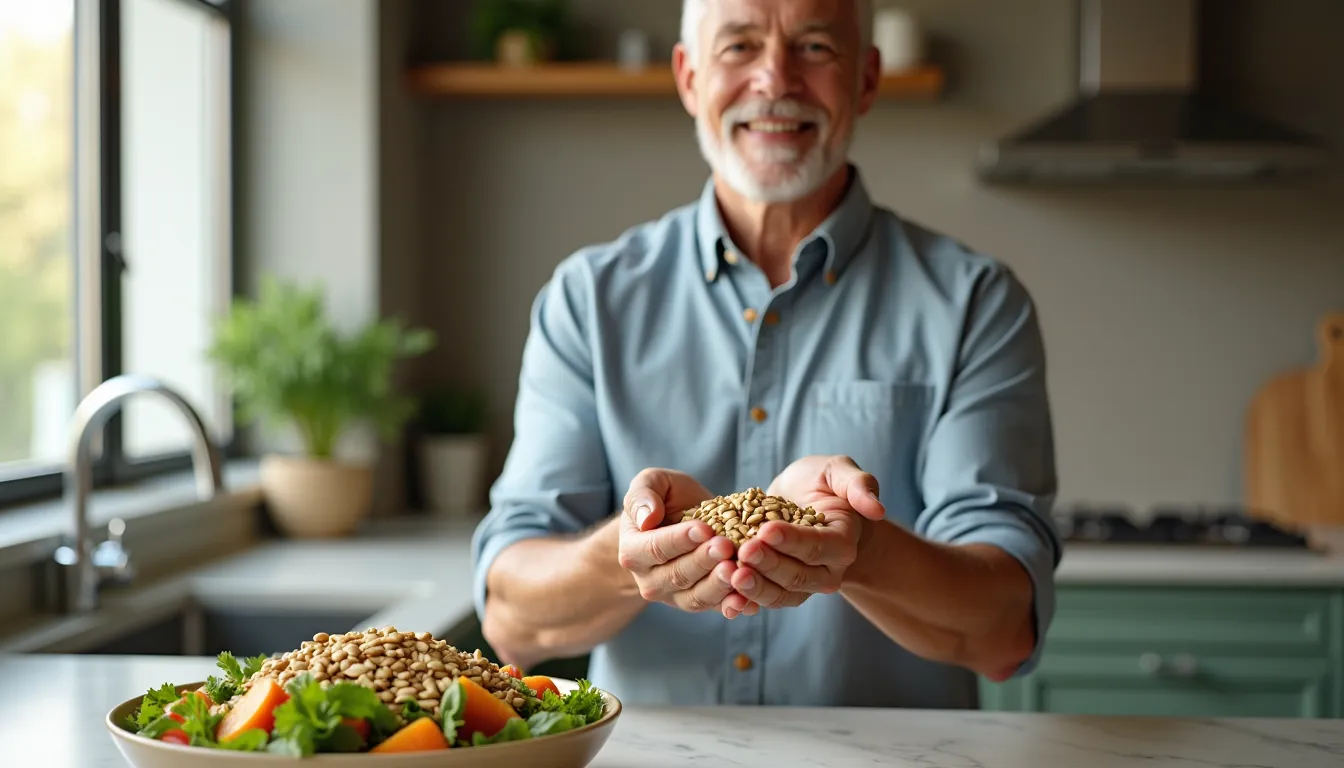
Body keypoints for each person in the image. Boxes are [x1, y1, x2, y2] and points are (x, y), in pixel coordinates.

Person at [470, 0, 1061, 709]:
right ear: (689, 78)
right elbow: (510, 618)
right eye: (739, 47)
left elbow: (1005, 630)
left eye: (814, 47)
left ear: (866, 80)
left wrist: (860, 551)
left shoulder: (975, 304)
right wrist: (631, 553)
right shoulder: (588, 301)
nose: (775, 80)